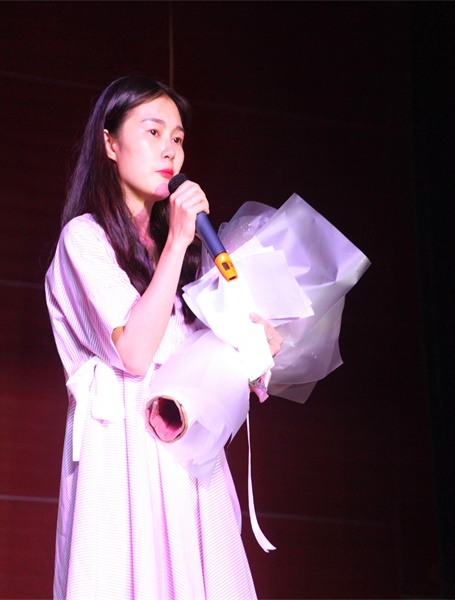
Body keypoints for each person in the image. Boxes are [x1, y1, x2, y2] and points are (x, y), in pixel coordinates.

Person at [45, 75, 281, 599]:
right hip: (120, 458)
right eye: (153, 132)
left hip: (189, 461)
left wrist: (254, 347)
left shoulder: (195, 256)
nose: (169, 149)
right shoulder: (84, 239)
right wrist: (176, 240)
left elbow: (209, 372)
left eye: (177, 138)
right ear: (110, 143)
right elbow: (134, 352)